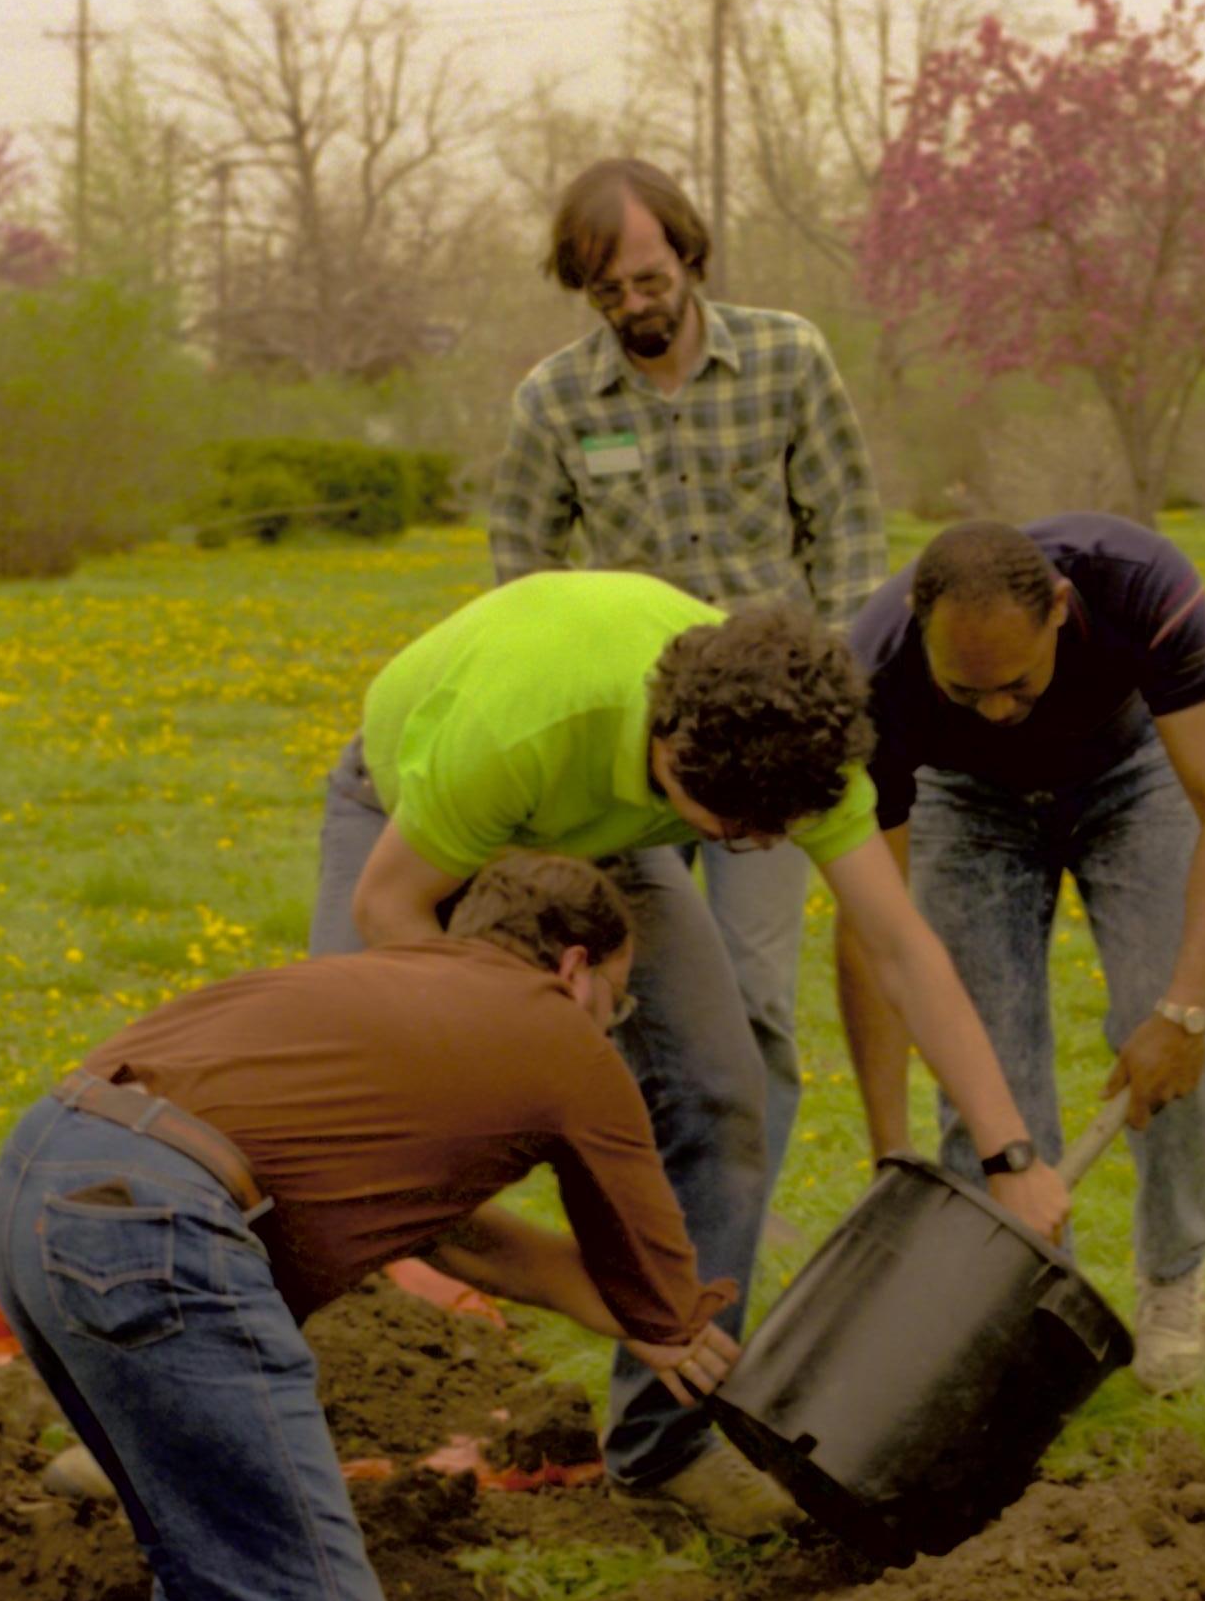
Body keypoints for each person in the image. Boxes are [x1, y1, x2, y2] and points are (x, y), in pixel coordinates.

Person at [308, 570, 1072, 1535]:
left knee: (720, 1092)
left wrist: (1011, 1156)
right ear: (668, 746)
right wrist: (531, 1065)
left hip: (609, 836)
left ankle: (665, 1447)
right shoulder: (520, 728)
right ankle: (184, 1428)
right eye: (726, 827)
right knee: (342, 1136)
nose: (748, 846)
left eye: (770, 836)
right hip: (410, 823)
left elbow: (901, 950)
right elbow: (390, 909)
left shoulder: (802, 751)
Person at [0, 854, 742, 1601]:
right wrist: (675, 1327)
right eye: (617, 1004)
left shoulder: (388, 990)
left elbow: (467, 1245)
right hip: (155, 1227)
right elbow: (657, 1273)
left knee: (218, 1591)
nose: (607, 1027)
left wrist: (640, 1321)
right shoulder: (558, 1031)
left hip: (38, 1187)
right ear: (577, 968)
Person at [486, 158, 884, 1217]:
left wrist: (833, 694)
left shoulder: (788, 360)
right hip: (633, 752)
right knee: (631, 1000)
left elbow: (845, 528)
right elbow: (521, 567)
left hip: (766, 744)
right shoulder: (556, 401)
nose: (635, 308)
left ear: (690, 256)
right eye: (609, 293)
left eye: (650, 282)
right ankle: (646, 1208)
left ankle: (731, 1221)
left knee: (756, 1001)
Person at [835, 517, 1205, 1396]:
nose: (997, 709)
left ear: (1063, 615)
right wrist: (890, 1154)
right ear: (922, 637)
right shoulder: (873, 673)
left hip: (1129, 771)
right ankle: (1024, 1319)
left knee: (1175, 1025)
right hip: (968, 805)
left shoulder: (1141, 586)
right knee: (988, 1072)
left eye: (1019, 685)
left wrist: (1184, 1010)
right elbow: (873, 934)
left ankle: (1174, 1276)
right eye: (967, 691)